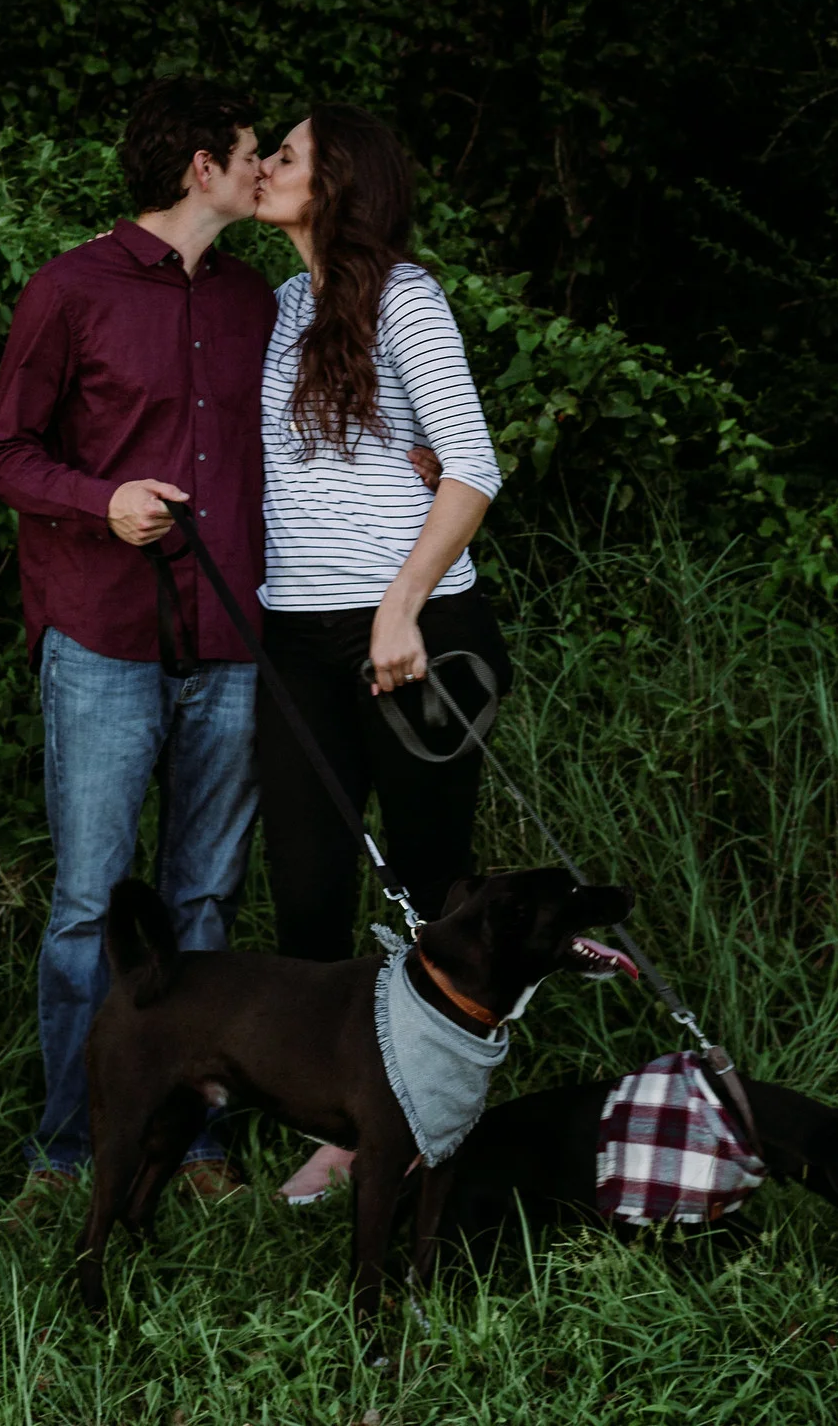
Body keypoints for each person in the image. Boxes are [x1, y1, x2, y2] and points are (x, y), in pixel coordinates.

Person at [0, 78, 276, 1199]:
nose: (263, 169)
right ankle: (65, 1146)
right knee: (93, 904)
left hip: (236, 643)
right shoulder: (70, 289)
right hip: (102, 641)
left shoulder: (258, 298)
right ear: (201, 164)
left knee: (205, 902)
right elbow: (5, 453)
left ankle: (196, 1141)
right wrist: (101, 500)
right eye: (251, 151)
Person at [252, 103, 511, 1202]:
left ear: (340, 181)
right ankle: (334, 1108)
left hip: (416, 634)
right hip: (296, 637)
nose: (264, 164)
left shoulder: (407, 298)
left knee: (426, 890)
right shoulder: (273, 307)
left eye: (288, 154)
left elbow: (473, 467)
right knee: (307, 889)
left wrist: (401, 603)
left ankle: (419, 1121)